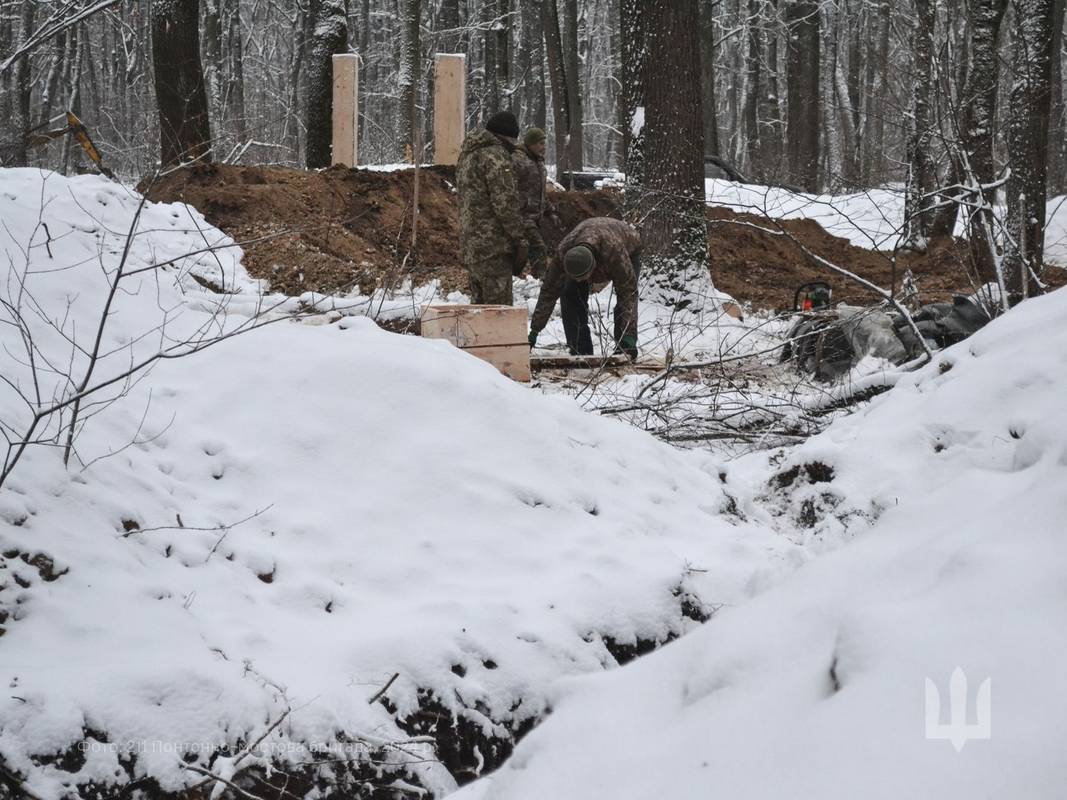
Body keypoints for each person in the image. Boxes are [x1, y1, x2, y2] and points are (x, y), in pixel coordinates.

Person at [527, 217, 642, 360]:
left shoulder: (614, 252)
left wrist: (629, 335)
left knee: (624, 297)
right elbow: (549, 291)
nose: (580, 281)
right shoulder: (563, 253)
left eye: (583, 278)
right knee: (569, 293)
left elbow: (628, 294)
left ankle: (625, 349)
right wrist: (534, 331)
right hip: (588, 239)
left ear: (594, 267)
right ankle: (580, 350)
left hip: (627, 245)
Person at [455, 111, 528, 305]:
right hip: (493, 247)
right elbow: (505, 202)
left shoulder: (468, 154)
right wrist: (519, 238)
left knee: (478, 313)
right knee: (498, 315)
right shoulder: (495, 156)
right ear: (506, 136)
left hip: (472, 245)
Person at [511, 127, 557, 277]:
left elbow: (540, 191)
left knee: (526, 249)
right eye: (540, 144)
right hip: (522, 215)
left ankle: (517, 274)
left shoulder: (539, 163)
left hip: (535, 216)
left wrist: (550, 210)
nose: (543, 147)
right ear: (530, 144)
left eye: (544, 143)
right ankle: (541, 278)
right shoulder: (519, 160)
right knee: (538, 247)